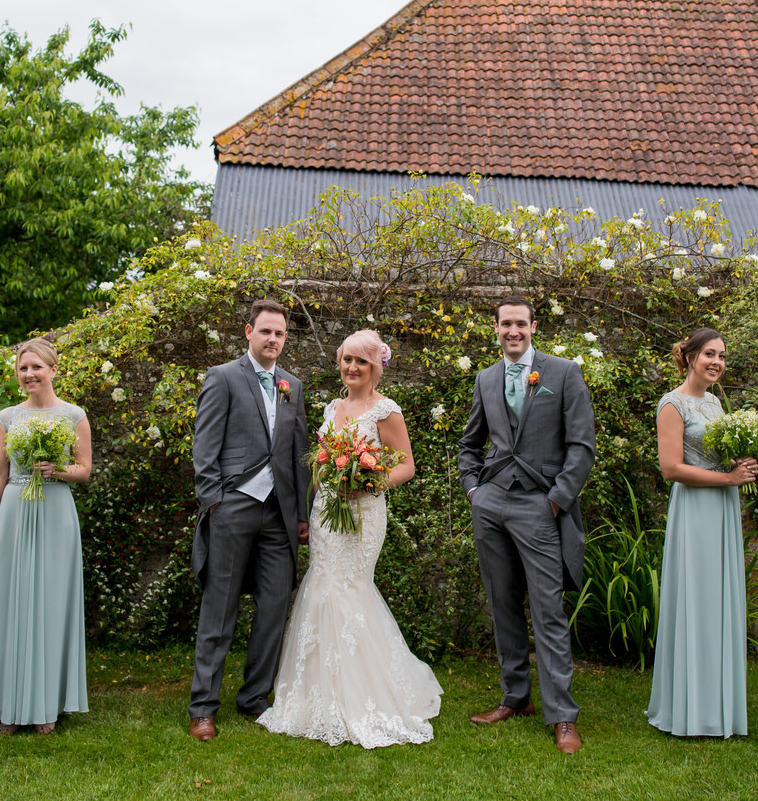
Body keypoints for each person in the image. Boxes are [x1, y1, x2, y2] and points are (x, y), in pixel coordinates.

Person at [257, 330, 444, 747]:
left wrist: (369, 484)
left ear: (376, 366)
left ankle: (364, 694)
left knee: (348, 589)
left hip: (363, 514)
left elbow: (407, 466)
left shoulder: (385, 411)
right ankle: (316, 691)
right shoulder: (333, 406)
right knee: (323, 585)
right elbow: (321, 461)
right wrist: (329, 476)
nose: (353, 368)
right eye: (347, 361)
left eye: (361, 361)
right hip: (327, 512)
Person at [458, 295, 595, 755]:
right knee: (502, 605)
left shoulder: (563, 373)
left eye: (521, 324)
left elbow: (582, 447)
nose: (513, 331)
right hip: (492, 503)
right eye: (505, 325)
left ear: (533, 327)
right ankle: (515, 698)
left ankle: (563, 717)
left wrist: (556, 501)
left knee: (548, 610)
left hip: (540, 504)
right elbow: (469, 443)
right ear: (494, 328)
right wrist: (474, 491)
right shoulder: (486, 378)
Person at [188, 298, 311, 742]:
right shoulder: (223, 377)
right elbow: (205, 446)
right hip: (233, 507)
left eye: (280, 334)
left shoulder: (292, 385)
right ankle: (203, 707)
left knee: (274, 608)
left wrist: (301, 513)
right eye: (266, 332)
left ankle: (255, 698)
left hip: (279, 515)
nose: (274, 339)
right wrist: (214, 501)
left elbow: (300, 454)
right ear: (248, 332)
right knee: (219, 610)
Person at [0, 338, 91, 734]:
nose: (30, 374)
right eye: (23, 368)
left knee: (51, 602)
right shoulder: (6, 416)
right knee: (12, 601)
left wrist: (58, 470)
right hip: (15, 510)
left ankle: (46, 704)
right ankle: (6, 702)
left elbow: (84, 470)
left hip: (55, 512)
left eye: (37, 367)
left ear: (53, 370)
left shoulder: (74, 415)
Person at [645, 328, 758, 738]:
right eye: (710, 354)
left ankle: (718, 705)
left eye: (723, 356)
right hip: (695, 510)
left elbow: (720, 455)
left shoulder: (714, 402)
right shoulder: (672, 405)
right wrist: (729, 478)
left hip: (723, 509)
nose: (717, 362)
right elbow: (671, 469)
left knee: (718, 602)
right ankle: (689, 709)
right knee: (696, 601)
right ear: (690, 356)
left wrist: (744, 462)